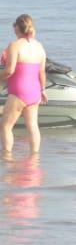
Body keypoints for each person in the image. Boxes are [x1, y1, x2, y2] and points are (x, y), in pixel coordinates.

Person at [0, 15, 47, 153]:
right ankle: (34, 157)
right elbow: (42, 72)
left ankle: (7, 157)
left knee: (6, 126)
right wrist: (43, 90)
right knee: (33, 127)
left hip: (19, 92)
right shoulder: (39, 46)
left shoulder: (14, 46)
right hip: (35, 91)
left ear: (17, 27)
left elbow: (9, 71)